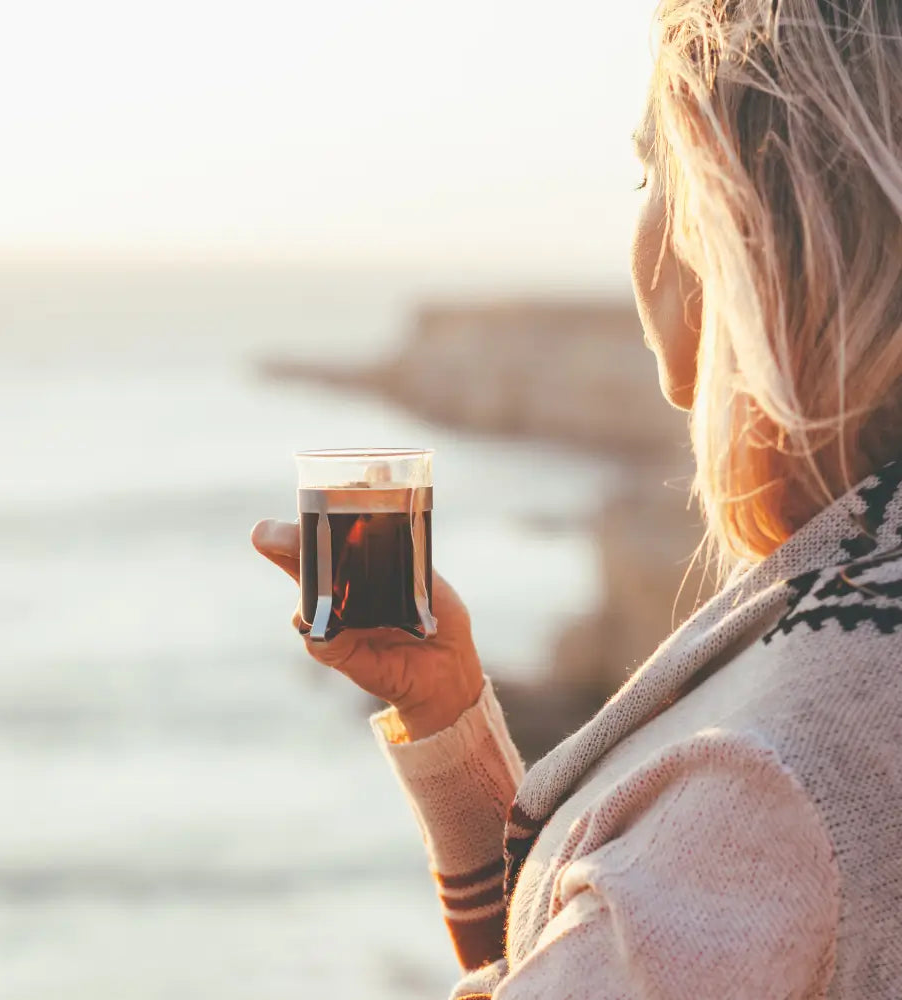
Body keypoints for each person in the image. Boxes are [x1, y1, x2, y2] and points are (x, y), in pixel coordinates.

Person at [253, 0, 902, 996]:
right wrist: (450, 721)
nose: (637, 234)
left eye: (653, 176)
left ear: (739, 233)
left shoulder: (763, 793)